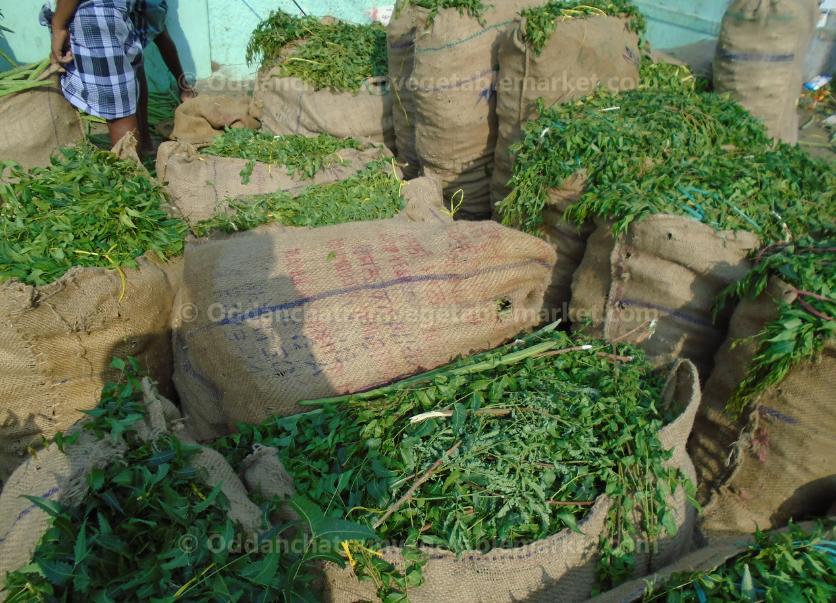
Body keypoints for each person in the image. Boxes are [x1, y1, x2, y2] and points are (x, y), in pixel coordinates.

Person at [42, 0, 194, 155]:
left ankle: (133, 173)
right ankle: (144, 145)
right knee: (131, 77)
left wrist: (58, 25)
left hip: (95, 14)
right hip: (121, 9)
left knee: (119, 113)